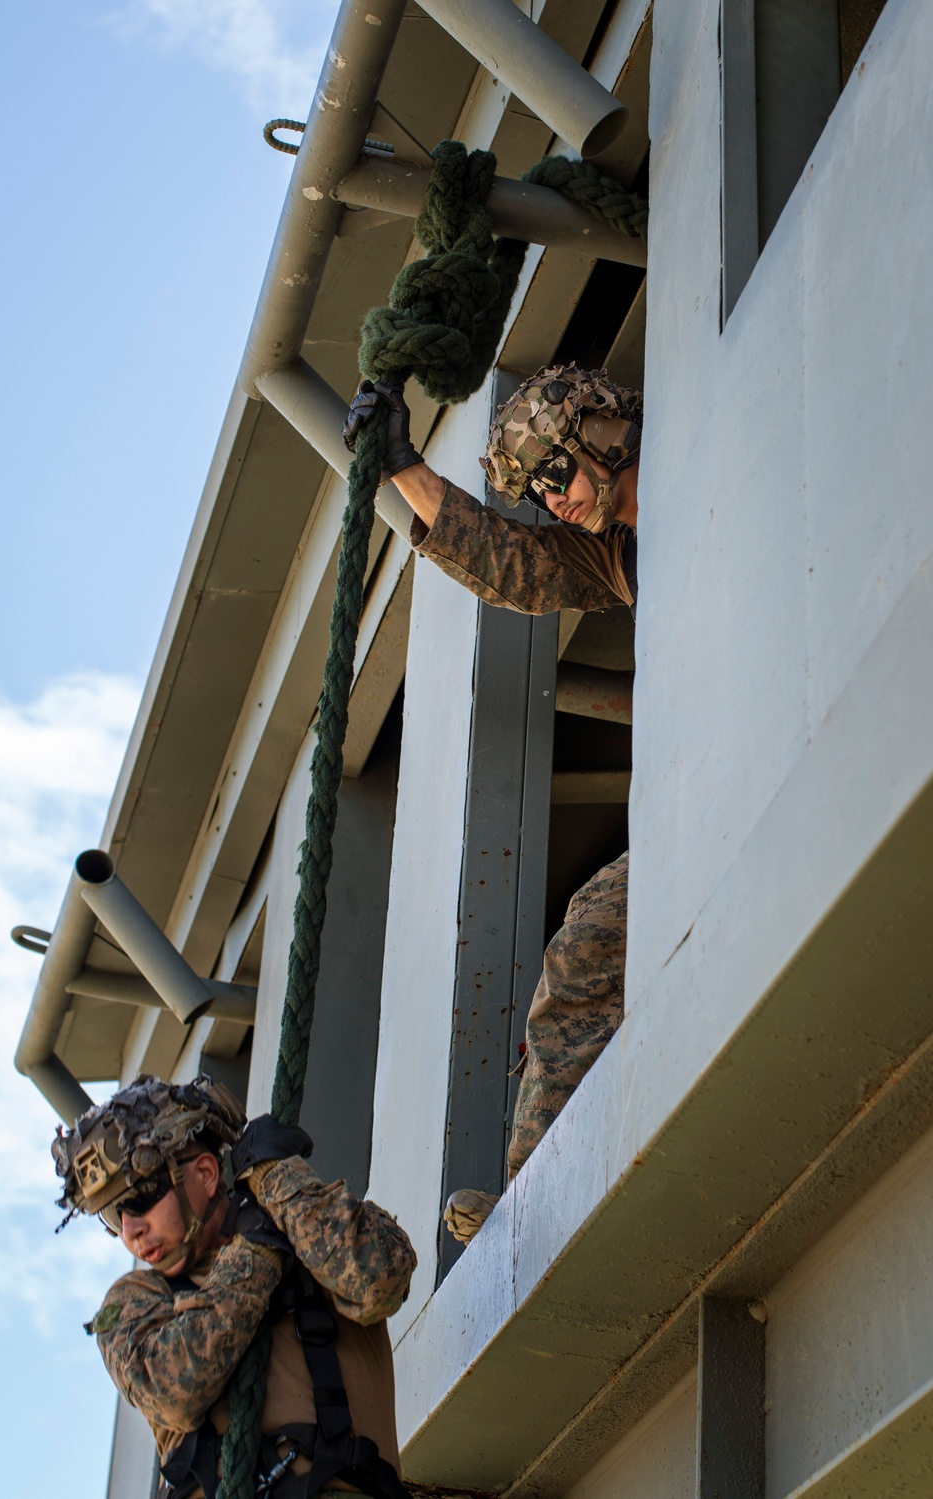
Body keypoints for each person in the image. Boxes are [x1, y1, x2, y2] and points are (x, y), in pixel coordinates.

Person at [344, 366, 641, 1244]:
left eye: (557, 475)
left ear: (600, 433)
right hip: (714, 774)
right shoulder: (615, 552)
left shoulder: (715, 428)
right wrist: (403, 464)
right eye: (537, 488)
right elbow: (517, 564)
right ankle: (538, 1198)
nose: (553, 503)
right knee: (590, 938)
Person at [53, 1074, 417, 1499]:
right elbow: (175, 1392)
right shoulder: (133, 1303)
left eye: (139, 1200)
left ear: (206, 1174)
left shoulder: (312, 1239)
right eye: (115, 1216)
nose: (130, 1231)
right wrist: (255, 1254)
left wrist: (276, 1179)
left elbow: (380, 1280)